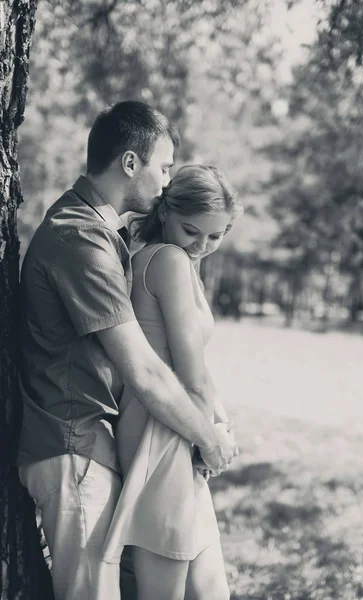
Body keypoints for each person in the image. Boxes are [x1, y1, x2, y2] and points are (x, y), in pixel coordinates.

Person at [17, 101, 238, 600]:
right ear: (130, 163)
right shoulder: (78, 238)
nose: (167, 181)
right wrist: (211, 438)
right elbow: (144, 370)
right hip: (71, 445)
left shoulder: (102, 236)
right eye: (163, 166)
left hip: (95, 445)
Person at [100, 165, 244, 600]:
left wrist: (221, 423)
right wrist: (210, 438)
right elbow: (189, 372)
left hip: (181, 422)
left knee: (210, 589)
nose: (202, 246)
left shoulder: (178, 260)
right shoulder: (168, 260)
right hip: (161, 430)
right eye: (191, 230)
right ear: (165, 212)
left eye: (215, 236)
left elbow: (198, 369)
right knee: (164, 591)